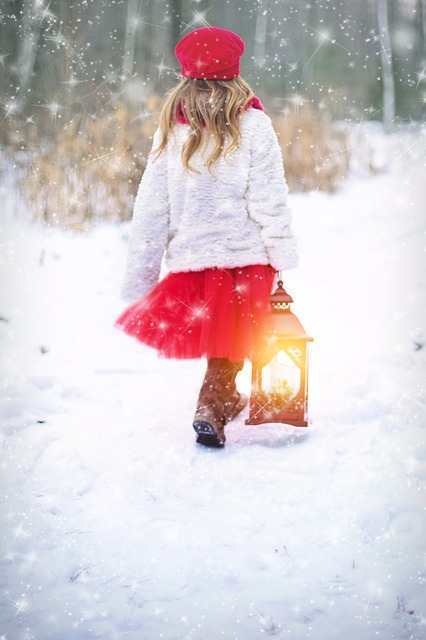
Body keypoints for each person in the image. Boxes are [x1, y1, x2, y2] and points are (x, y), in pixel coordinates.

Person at [114, 25, 298, 448]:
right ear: (235, 72)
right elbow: (269, 199)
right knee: (240, 334)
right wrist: (281, 254)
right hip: (247, 257)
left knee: (227, 335)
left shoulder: (171, 130)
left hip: (194, 259)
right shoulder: (254, 125)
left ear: (185, 74)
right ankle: (216, 403)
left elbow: (151, 210)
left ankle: (225, 398)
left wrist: (142, 275)